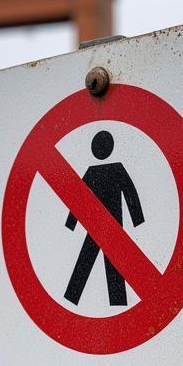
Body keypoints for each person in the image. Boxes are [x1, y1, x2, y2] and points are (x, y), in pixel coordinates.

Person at [64, 130, 145, 307]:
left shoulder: (100, 171)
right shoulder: (109, 170)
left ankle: (74, 296)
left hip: (100, 222)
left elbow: (78, 197)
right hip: (105, 222)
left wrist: (71, 223)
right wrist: (137, 219)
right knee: (101, 259)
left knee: (90, 258)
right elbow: (130, 193)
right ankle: (114, 302)